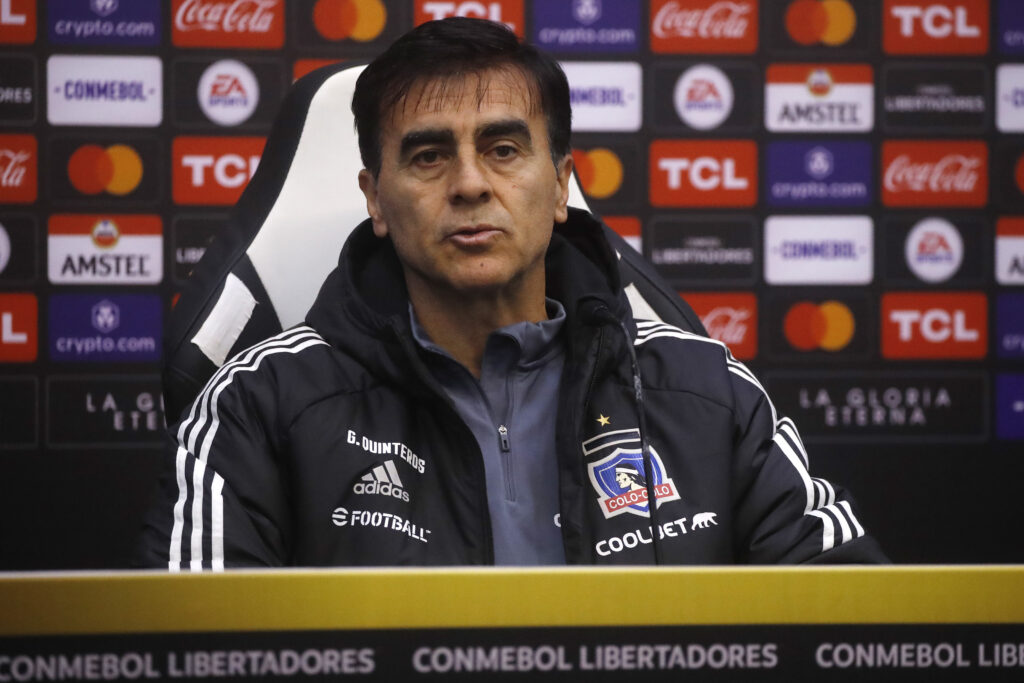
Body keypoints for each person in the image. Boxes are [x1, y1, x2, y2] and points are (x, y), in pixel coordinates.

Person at [137, 17, 886, 569]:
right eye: (429, 156)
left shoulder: (709, 393)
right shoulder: (257, 405)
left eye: (503, 149)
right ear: (375, 197)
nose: (469, 184)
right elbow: (189, 646)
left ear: (561, 185)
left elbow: (858, 625)